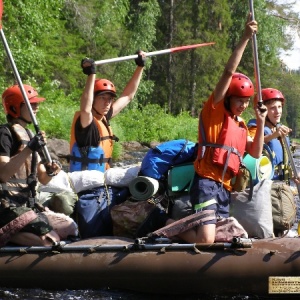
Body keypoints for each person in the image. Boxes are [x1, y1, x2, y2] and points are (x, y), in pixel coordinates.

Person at [177, 13, 268, 244]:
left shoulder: (241, 125)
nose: (244, 105)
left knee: (219, 238)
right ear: (228, 98)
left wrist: (262, 121)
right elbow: (228, 72)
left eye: (246, 101)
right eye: (239, 100)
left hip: (224, 188)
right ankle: (171, 227)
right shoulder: (214, 110)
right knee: (207, 241)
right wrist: (246, 37)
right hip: (206, 182)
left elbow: (256, 153)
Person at [70, 51, 146, 238]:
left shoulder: (104, 117)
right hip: (86, 190)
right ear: (94, 99)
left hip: (104, 185)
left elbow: (128, 96)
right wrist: (91, 74)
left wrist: (140, 67)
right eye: (103, 97)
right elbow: (85, 106)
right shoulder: (86, 122)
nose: (108, 102)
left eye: (110, 98)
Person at [0, 84, 76, 247]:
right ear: (14, 107)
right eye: (31, 104)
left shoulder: (29, 135)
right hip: (6, 207)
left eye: (36, 103)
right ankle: (6, 235)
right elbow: (3, 174)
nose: (37, 107)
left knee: (69, 229)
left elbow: (42, 178)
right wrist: (29, 149)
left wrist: (50, 171)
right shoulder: (4, 133)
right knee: (51, 240)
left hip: (27, 205)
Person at [248, 88, 295, 182]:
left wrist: (294, 176)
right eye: (272, 108)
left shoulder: (281, 130)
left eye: (279, 107)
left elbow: (285, 164)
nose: (278, 112)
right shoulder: (254, 127)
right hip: (263, 184)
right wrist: (274, 135)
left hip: (281, 184)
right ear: (262, 110)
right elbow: (253, 145)